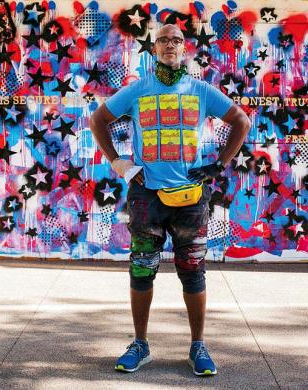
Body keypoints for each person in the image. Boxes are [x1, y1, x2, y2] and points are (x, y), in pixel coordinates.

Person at [90, 24, 251, 376]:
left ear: (184, 49)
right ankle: (140, 344)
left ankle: (198, 346)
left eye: (176, 40)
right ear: (153, 48)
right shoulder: (136, 90)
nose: (170, 45)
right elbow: (98, 119)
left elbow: (241, 120)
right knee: (142, 269)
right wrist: (120, 163)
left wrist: (218, 165)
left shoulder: (200, 90)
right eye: (163, 40)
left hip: (191, 197)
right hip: (146, 196)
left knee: (193, 271)